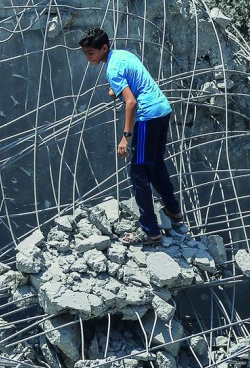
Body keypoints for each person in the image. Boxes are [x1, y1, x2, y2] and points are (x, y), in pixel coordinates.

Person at [80, 27, 186, 244]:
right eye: (85, 53)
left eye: (90, 52)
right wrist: (115, 90)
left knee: (139, 174)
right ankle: (175, 213)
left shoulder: (111, 70)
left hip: (147, 116)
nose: (88, 57)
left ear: (104, 48)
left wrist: (125, 137)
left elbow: (131, 102)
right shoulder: (124, 55)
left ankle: (150, 231)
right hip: (163, 110)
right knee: (155, 164)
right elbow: (136, 81)